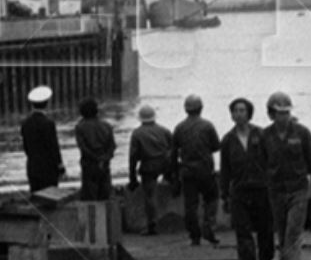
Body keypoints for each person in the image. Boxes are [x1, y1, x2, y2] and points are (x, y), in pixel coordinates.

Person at [260, 91, 311, 260]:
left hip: (298, 188)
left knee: (293, 230)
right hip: (276, 190)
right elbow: (261, 161)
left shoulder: (302, 133)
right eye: (279, 113)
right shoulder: (265, 136)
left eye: (286, 112)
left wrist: (309, 174)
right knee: (282, 229)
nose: (283, 117)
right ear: (271, 114)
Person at [220, 97, 272, 260]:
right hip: (239, 191)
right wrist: (224, 195)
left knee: (265, 230)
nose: (239, 114)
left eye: (242, 110)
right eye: (235, 111)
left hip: (261, 189)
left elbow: (271, 160)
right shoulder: (227, 140)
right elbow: (225, 169)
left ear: (249, 113)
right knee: (242, 232)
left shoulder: (261, 134)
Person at [173, 94, 222, 246]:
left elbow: (173, 152)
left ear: (185, 109)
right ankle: (208, 226)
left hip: (187, 171)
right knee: (211, 199)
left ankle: (194, 235)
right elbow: (216, 146)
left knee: (190, 205)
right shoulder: (207, 126)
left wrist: (174, 175)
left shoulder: (179, 128)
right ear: (201, 108)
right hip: (205, 169)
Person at [127, 105, 176, 236]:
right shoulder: (165, 131)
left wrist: (132, 178)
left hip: (148, 166)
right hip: (165, 164)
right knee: (170, 186)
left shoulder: (137, 133)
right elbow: (173, 151)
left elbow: (133, 157)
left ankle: (152, 225)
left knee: (150, 196)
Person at [20, 85, 65, 193]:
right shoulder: (48, 123)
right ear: (47, 103)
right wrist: (60, 165)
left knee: (36, 196)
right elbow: (53, 146)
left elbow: (26, 146)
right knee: (50, 196)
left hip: (32, 166)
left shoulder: (26, 123)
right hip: (48, 168)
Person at [74, 97, 115, 201]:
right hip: (105, 164)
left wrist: (96, 159)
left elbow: (83, 148)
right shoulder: (107, 125)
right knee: (105, 194)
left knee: (90, 196)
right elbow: (112, 146)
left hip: (89, 164)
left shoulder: (80, 127)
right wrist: (104, 159)